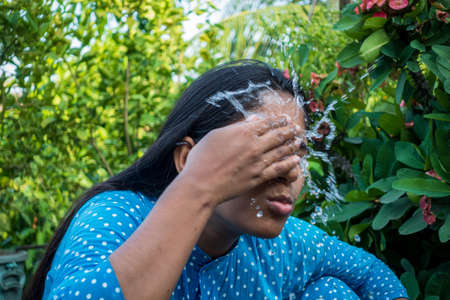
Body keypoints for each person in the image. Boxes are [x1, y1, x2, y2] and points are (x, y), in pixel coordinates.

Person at [24, 60, 408, 300]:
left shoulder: (287, 246)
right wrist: (197, 188)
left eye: (299, 153)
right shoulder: (117, 216)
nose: (292, 170)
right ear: (188, 157)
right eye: (266, 147)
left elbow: (373, 274)